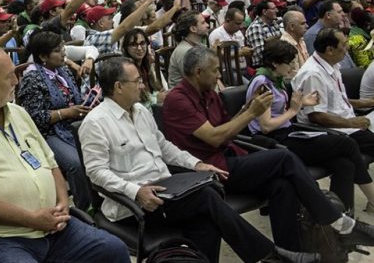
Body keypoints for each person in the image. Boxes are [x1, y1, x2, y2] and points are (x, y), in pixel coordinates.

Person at [80, 56, 318, 263]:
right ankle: (271, 255)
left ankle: (270, 256)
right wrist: (135, 191)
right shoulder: (96, 123)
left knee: (207, 220)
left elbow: (164, 147)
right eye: (137, 81)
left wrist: (196, 164)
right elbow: (96, 173)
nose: (143, 85)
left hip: (166, 191)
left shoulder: (141, 111)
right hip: (135, 206)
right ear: (119, 86)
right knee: (206, 196)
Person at [163, 45, 374, 251]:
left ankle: (292, 253)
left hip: (229, 156)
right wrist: (251, 113)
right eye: (215, 70)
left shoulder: (209, 94)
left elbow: (227, 129)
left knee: (282, 185)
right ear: (198, 72)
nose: (219, 75)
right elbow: (214, 138)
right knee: (284, 158)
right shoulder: (178, 100)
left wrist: (246, 109)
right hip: (207, 170)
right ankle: (337, 222)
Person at [0, 47, 128, 263]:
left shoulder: (18, 113)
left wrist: (62, 203)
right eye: (9, 76)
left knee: (113, 249)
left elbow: (51, 163)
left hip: (50, 226)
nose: (16, 81)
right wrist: (33, 219)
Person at [247, 38, 374, 212]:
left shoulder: (275, 79)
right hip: (275, 140)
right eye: (289, 63)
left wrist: (302, 103)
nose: (293, 67)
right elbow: (266, 126)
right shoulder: (262, 83)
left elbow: (278, 110)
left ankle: (342, 215)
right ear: (275, 63)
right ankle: (372, 199)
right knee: (346, 143)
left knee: (344, 163)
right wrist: (293, 110)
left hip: (288, 132)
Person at [16, 30, 92, 211]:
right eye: (58, 50)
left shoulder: (63, 71)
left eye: (62, 48)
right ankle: (85, 208)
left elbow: (74, 99)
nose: (64, 53)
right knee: (76, 163)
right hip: (48, 132)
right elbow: (34, 118)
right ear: (43, 56)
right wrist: (66, 113)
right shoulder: (32, 78)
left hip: (73, 125)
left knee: (101, 147)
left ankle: (102, 197)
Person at [293, 28, 374, 152]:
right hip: (335, 130)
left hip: (347, 122)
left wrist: (366, 103)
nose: (348, 47)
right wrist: (353, 123)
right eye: (344, 44)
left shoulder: (331, 63)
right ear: (330, 50)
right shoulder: (313, 74)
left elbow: (336, 100)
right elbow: (317, 116)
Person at [120, 28, 167, 106]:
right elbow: (134, 102)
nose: (139, 48)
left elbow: (154, 89)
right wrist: (156, 99)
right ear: (126, 48)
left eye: (142, 43)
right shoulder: (126, 69)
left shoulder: (146, 65)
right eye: (133, 45)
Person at [167, 10, 209, 88]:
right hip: (185, 93)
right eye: (203, 23)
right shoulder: (184, 51)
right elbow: (197, 81)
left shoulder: (199, 45)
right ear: (193, 29)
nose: (207, 25)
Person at [245, 0, 282, 68]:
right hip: (263, 66)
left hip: (276, 63)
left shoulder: (274, 24)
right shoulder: (255, 27)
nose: (277, 11)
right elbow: (261, 54)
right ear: (264, 12)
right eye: (273, 9)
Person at [279, 9, 309, 81]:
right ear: (292, 26)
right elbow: (292, 77)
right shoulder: (285, 46)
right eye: (303, 23)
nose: (307, 26)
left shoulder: (301, 40)